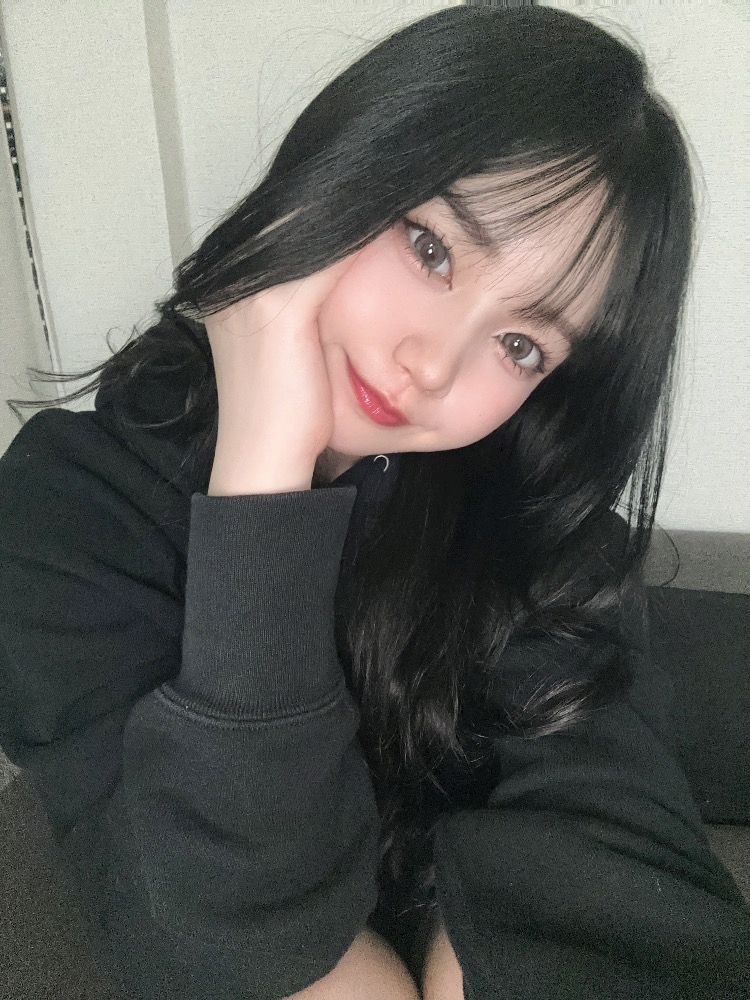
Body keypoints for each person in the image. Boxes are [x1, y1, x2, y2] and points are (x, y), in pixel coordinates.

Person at [0, 6, 748, 998]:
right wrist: (262, 478)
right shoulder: (66, 516)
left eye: (521, 345)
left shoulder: (537, 539)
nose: (431, 365)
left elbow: (606, 884)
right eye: (431, 247)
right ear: (337, 175)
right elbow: (231, 943)